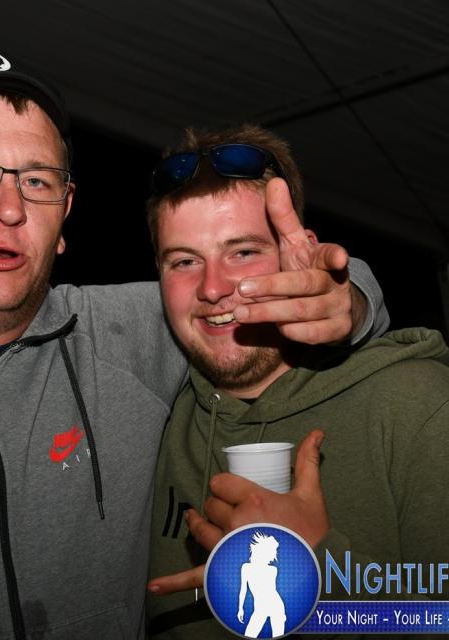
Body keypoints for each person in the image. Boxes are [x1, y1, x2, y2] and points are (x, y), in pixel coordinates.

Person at [0, 52, 387, 639]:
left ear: (65, 212)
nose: (9, 209)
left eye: (37, 181)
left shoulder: (131, 334)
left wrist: (349, 300)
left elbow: (275, 284)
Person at [144, 124, 449, 639]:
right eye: (185, 261)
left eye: (243, 252)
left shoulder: (417, 406)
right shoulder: (153, 414)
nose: (212, 288)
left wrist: (314, 568)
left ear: (298, 254)